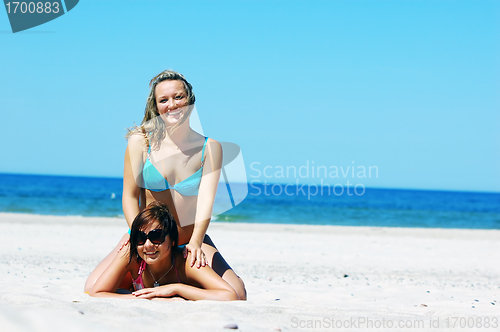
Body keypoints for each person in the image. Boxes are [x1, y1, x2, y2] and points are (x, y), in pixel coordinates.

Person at [85, 70, 246, 300]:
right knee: (92, 287)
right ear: (156, 105)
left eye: (178, 97)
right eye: (164, 100)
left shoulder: (210, 148)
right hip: (148, 239)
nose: (172, 105)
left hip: (188, 241)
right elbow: (130, 197)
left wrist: (197, 242)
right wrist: (138, 237)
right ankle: (161, 281)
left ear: (190, 100)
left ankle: (178, 283)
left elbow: (205, 204)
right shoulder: (141, 142)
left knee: (238, 294)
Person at [89, 201, 239, 301]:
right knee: (91, 285)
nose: (147, 245)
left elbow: (230, 295)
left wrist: (176, 288)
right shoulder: (132, 254)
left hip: (200, 248)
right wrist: (143, 296)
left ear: (172, 240)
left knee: (240, 292)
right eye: (140, 237)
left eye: (156, 236)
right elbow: (97, 292)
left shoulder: (188, 261)